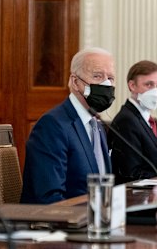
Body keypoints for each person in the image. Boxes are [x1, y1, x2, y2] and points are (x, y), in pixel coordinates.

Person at [20, 48, 115, 204]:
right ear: (75, 82)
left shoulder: (96, 124)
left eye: (110, 78)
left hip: (97, 221)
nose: (106, 84)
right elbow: (49, 198)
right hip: (61, 224)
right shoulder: (52, 126)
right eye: (97, 76)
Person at [108, 60, 157, 184]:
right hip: (136, 198)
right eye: (149, 85)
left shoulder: (147, 119)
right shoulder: (127, 120)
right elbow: (131, 173)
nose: (155, 91)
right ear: (132, 86)